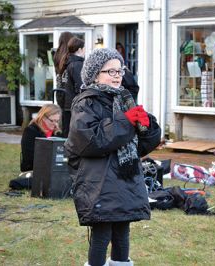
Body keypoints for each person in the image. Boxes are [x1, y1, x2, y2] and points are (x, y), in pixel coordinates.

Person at [64, 48, 161, 266]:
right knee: (101, 234)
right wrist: (126, 122)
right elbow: (92, 140)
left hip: (125, 177)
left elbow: (139, 146)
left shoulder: (125, 99)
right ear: (95, 74)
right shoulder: (85, 103)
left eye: (120, 71)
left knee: (122, 232)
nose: (118, 76)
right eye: (111, 71)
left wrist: (148, 127)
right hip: (99, 180)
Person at [56, 36, 85, 137]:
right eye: (84, 48)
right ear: (80, 49)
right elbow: (82, 86)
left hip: (67, 104)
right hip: (74, 104)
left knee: (67, 134)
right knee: (72, 135)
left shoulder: (67, 62)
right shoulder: (77, 64)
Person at [20, 104, 62, 172]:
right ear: (43, 117)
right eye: (52, 120)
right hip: (33, 170)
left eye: (57, 121)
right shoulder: (31, 131)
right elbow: (29, 158)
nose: (55, 124)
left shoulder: (57, 133)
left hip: (54, 170)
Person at [53, 31, 74, 107]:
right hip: (70, 91)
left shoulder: (56, 55)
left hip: (59, 90)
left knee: (62, 115)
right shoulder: (70, 56)